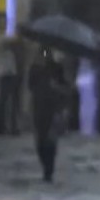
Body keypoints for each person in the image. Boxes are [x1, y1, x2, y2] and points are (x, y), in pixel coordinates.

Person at [28, 49, 70, 182]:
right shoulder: (34, 69)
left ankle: (49, 169)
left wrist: (56, 87)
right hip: (39, 108)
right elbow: (30, 86)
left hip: (53, 108)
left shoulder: (56, 68)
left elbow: (65, 87)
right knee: (40, 141)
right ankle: (45, 164)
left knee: (51, 140)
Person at [0, 15, 20, 135]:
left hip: (7, 72)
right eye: (3, 23)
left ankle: (4, 127)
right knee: (2, 102)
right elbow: (12, 40)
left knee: (4, 101)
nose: (5, 25)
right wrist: (18, 30)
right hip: (3, 73)